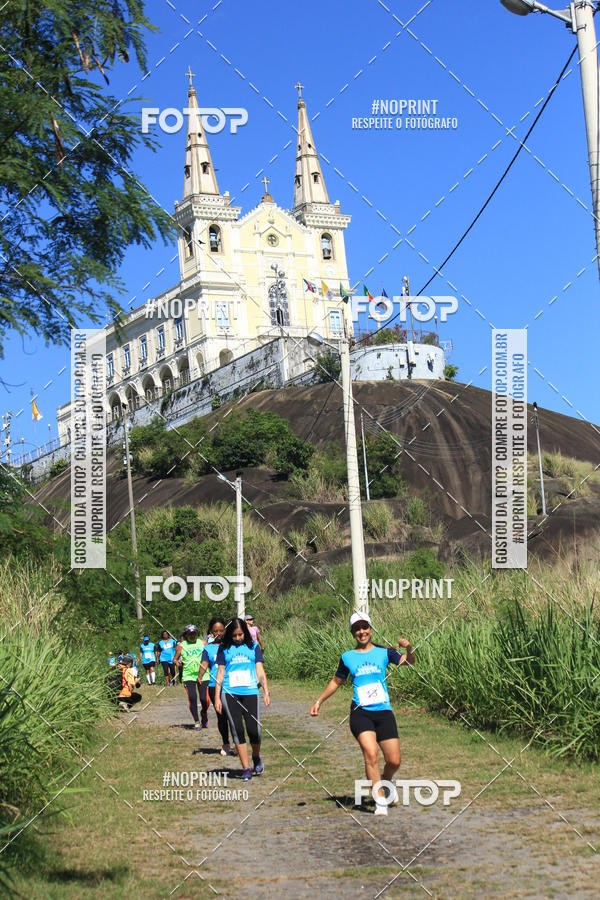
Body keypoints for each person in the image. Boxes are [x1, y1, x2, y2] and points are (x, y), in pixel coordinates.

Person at [310, 612, 414, 816]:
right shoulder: (347, 657)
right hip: (361, 713)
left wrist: (409, 648)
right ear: (352, 633)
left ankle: (386, 780)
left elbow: (409, 662)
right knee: (371, 754)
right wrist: (319, 701)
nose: (362, 632)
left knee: (394, 761)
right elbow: (336, 681)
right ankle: (380, 801)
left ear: (371, 629)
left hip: (383, 712)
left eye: (365, 627)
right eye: (357, 629)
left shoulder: (385, 653)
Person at [214, 617, 270, 781]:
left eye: (240, 635)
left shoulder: (253, 647)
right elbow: (221, 673)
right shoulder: (224, 649)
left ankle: (256, 756)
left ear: (245, 633)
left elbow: (259, 670)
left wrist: (266, 691)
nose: (238, 638)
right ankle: (246, 767)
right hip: (229, 692)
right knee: (237, 729)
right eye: (235, 635)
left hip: (251, 692)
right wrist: (217, 697)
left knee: (254, 730)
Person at [197, 617, 231, 755]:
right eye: (215, 631)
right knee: (221, 715)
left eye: (221, 630)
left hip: (230, 683)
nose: (218, 633)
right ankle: (226, 743)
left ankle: (238, 740)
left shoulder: (230, 645)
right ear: (211, 631)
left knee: (232, 715)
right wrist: (199, 676)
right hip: (214, 685)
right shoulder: (208, 649)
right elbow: (204, 664)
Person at [173, 625, 205, 730]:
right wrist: (177, 663)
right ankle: (196, 721)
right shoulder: (181, 645)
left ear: (197, 633)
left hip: (203, 674)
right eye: (189, 634)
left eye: (194, 633)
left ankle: (204, 714)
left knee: (205, 699)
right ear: (186, 635)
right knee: (192, 697)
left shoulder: (202, 643)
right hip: (188, 675)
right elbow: (175, 659)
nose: (192, 636)